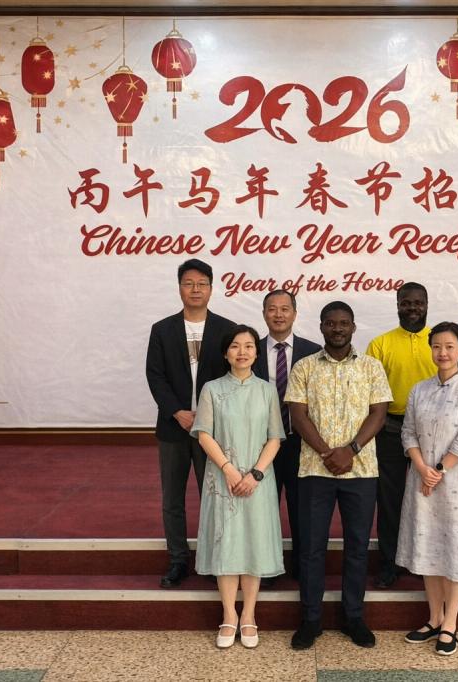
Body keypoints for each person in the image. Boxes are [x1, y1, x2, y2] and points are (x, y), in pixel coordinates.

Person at [285, 301, 392, 650]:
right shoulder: (304, 367)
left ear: (353, 327)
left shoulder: (372, 367)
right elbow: (298, 415)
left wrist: (351, 450)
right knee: (311, 548)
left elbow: (379, 413)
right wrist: (327, 453)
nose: (337, 329)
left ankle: (354, 617)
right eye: (330, 323)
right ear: (321, 327)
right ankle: (310, 619)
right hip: (314, 470)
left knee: (357, 548)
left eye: (344, 323)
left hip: (361, 471)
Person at [398, 322, 458, 656]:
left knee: (455, 548)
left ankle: (450, 622)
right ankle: (434, 617)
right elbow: (408, 432)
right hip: (421, 479)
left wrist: (438, 471)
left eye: (450, 346)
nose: (443, 353)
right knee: (429, 547)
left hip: (456, 485)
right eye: (437, 346)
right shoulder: (420, 390)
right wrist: (422, 467)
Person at [192, 324, 285, 649]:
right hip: (223, 479)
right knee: (228, 543)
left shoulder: (267, 391)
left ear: (257, 353)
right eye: (235, 346)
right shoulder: (212, 389)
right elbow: (204, 434)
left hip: (258, 480)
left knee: (253, 542)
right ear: (225, 353)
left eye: (248, 346)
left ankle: (249, 614)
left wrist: (255, 473)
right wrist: (229, 470)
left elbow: (275, 437)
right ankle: (229, 613)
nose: (242, 352)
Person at [145, 259, 235, 588]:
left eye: (202, 284)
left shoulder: (227, 329)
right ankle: (178, 560)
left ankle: (213, 560)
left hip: (213, 429)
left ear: (211, 288)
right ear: (179, 288)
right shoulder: (162, 329)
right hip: (174, 428)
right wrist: (177, 412)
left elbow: (234, 375)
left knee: (214, 496)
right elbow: (155, 375)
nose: (195, 289)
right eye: (188, 283)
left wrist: (210, 415)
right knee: (173, 499)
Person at [365, 282, 437, 589]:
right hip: (390, 429)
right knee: (390, 499)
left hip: (431, 431)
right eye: (406, 303)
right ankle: (390, 562)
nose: (412, 308)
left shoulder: (438, 341)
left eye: (418, 303)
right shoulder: (380, 344)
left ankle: (425, 561)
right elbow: (370, 392)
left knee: (427, 497)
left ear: (427, 305)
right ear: (397, 306)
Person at [252, 289, 322, 586]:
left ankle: (302, 568)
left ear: (294, 313)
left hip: (300, 442)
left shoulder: (313, 351)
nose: (278, 314)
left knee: (301, 508)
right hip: (260, 443)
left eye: (284, 309)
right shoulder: (250, 350)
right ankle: (266, 567)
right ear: (264, 313)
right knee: (263, 508)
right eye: (272, 309)